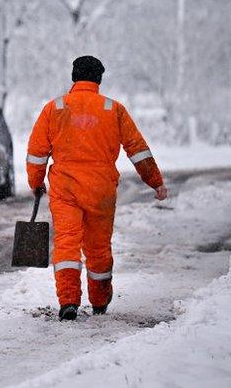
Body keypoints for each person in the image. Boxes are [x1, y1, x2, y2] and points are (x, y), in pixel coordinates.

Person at [26, 55, 168, 321]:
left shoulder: (54, 108)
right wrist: (155, 181)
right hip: (101, 190)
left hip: (65, 189)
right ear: (99, 79)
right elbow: (137, 150)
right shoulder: (113, 109)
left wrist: (36, 182)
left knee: (67, 242)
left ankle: (68, 300)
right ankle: (100, 301)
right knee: (98, 247)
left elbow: (36, 153)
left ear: (73, 77)